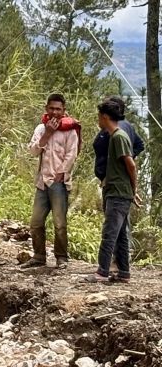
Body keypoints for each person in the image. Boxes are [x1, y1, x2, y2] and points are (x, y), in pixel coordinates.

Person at [84, 98, 141, 283]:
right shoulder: (115, 136)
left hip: (118, 193)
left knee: (109, 233)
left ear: (105, 117)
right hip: (117, 191)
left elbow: (131, 165)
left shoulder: (118, 136)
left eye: (99, 116)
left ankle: (102, 272)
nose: (98, 120)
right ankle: (124, 272)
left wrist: (133, 189)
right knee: (122, 235)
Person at [22, 93, 80, 269]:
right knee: (36, 222)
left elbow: (72, 154)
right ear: (46, 109)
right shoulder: (40, 129)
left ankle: (61, 257)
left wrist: (61, 173)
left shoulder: (70, 131)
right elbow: (33, 151)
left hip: (59, 182)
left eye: (58, 109)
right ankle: (39, 256)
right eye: (52, 108)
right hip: (42, 182)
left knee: (59, 222)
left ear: (64, 111)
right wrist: (47, 134)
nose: (55, 112)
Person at [92, 98, 145, 182]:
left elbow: (100, 147)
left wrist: (125, 159)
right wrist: (127, 157)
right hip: (120, 177)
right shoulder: (128, 125)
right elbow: (140, 145)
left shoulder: (114, 131)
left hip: (113, 178)